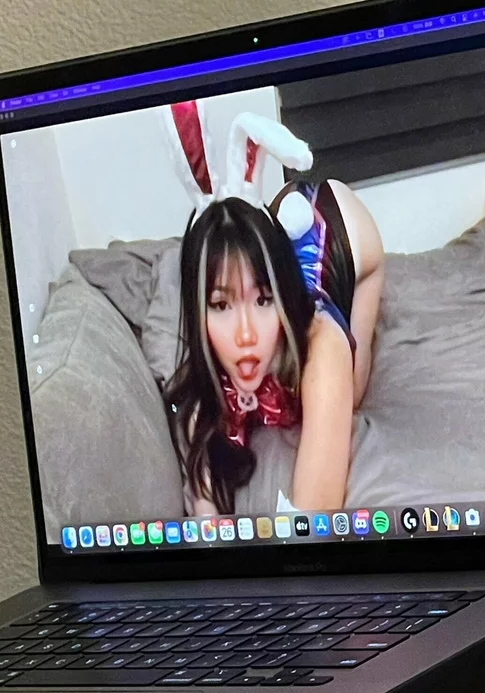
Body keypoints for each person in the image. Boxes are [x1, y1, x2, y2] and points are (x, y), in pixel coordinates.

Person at [162, 101, 384, 516]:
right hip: (274, 237)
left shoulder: (320, 344)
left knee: (351, 393)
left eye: (264, 300)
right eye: (221, 305)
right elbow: (204, 507)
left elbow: (311, 519)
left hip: (347, 230)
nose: (245, 335)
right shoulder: (202, 373)